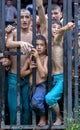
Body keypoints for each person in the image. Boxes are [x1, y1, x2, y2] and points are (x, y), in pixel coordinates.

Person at [36, 0, 75, 126]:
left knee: (50, 98)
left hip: (60, 77)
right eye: (53, 27)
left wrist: (65, 27)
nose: (55, 30)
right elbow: (41, 12)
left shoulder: (58, 40)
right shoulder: (47, 39)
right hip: (50, 77)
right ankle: (54, 121)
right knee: (51, 103)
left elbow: (60, 34)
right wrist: (39, 4)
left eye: (57, 28)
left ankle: (60, 118)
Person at [6, 9, 33, 126]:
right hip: (13, 76)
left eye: (27, 17)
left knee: (27, 109)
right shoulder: (14, 33)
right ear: (16, 20)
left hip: (28, 76)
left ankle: (26, 127)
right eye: (21, 17)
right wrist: (20, 43)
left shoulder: (34, 35)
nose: (24, 20)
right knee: (15, 108)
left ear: (31, 19)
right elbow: (8, 44)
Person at [21, 34, 48, 126]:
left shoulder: (46, 58)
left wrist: (37, 58)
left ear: (45, 47)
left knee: (36, 102)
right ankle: (35, 124)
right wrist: (30, 70)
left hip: (41, 85)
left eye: (41, 45)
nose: (39, 47)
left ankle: (43, 117)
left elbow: (43, 74)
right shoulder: (29, 58)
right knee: (30, 107)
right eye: (37, 45)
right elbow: (21, 74)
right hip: (31, 87)